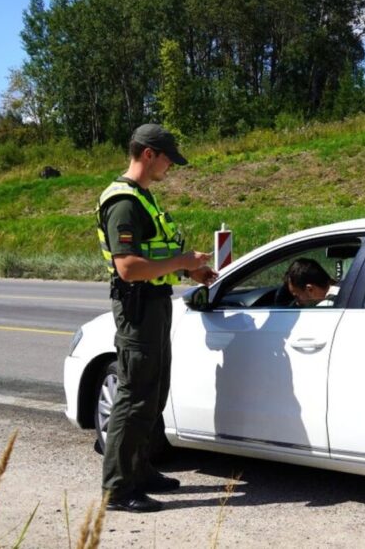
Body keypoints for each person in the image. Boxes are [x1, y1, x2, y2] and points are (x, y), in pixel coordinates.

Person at [97, 123, 217, 513]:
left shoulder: (143, 198)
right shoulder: (123, 203)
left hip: (154, 303)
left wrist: (187, 271)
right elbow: (129, 267)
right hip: (137, 307)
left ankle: (141, 470)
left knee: (153, 393)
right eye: (168, 158)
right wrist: (182, 261)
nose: (170, 166)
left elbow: (153, 258)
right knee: (133, 398)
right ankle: (118, 488)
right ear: (148, 154)